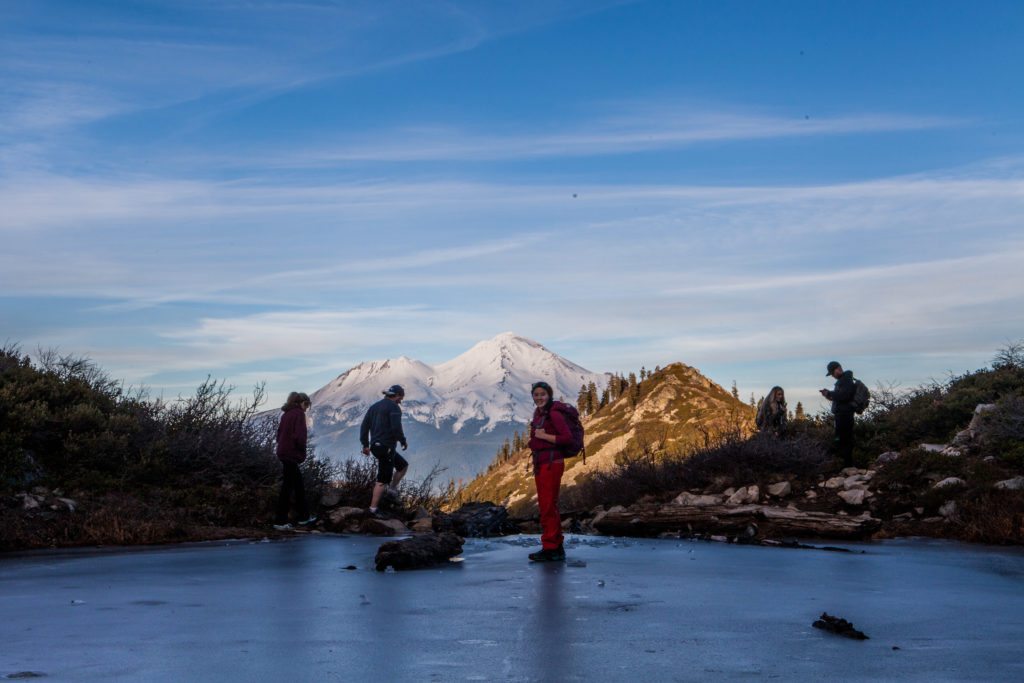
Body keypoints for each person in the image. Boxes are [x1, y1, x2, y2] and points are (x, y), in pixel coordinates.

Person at [527, 381, 572, 563]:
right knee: (548, 505)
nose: (539, 397)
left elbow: (567, 438)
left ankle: (551, 548)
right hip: (543, 463)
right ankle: (555, 546)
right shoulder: (540, 413)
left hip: (551, 464)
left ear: (549, 395)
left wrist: (544, 436)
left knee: (547, 506)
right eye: (536, 394)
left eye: (542, 394)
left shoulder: (554, 413)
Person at [360, 384, 409, 517]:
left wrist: (365, 445)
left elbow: (364, 426)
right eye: (401, 398)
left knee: (402, 466)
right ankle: (373, 509)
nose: (401, 401)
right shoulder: (394, 408)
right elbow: (396, 428)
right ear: (397, 395)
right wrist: (403, 440)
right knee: (382, 479)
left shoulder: (374, 407)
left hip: (376, 446)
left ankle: (392, 490)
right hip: (386, 446)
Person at [274, 392, 317, 530]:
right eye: (306, 405)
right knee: (289, 487)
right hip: (291, 454)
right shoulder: (298, 414)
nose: (306, 408)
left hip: (283, 452)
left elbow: (279, 434)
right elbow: (300, 436)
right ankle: (280, 521)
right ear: (301, 403)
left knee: (297, 485)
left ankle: (303, 517)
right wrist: (301, 452)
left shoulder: (286, 414)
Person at [820, 361, 856, 467]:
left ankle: (847, 464)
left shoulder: (846, 379)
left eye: (832, 373)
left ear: (838, 369)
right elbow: (841, 397)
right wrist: (828, 395)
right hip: (841, 414)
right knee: (840, 438)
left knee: (843, 439)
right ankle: (845, 463)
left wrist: (829, 393)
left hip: (845, 415)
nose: (832, 376)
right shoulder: (843, 380)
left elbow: (844, 395)